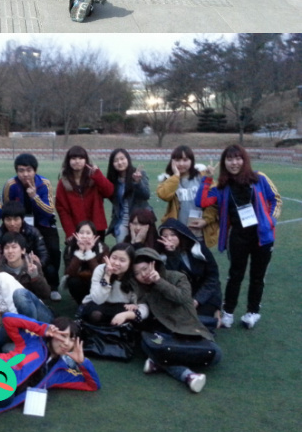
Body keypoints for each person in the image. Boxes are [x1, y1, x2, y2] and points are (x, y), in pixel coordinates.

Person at [196, 149, 281, 329]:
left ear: (244, 160)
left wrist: (270, 222)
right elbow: (201, 202)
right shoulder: (222, 186)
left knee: (257, 276)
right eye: (229, 159)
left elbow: (276, 199)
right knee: (235, 275)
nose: (234, 163)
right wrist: (207, 178)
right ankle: (228, 312)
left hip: (262, 236)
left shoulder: (259, 178)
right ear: (224, 162)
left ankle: (252, 312)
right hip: (238, 236)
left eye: (238, 158)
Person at [130, 257, 220, 397]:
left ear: (154, 264)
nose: (143, 274)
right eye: (137, 273)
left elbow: (182, 298)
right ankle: (188, 376)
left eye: (145, 269)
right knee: (147, 343)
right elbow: (143, 308)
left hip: (189, 329)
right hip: (164, 333)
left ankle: (159, 363)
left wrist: (158, 281)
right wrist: (133, 309)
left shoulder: (177, 277)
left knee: (215, 354)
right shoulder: (140, 288)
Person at [56, 147, 113, 239]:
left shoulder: (95, 177)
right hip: (77, 230)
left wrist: (98, 175)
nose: (77, 161)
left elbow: (109, 192)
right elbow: (62, 210)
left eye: (81, 158)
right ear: (68, 161)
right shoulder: (63, 183)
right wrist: (70, 232)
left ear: (86, 160)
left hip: (97, 227)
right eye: (73, 158)